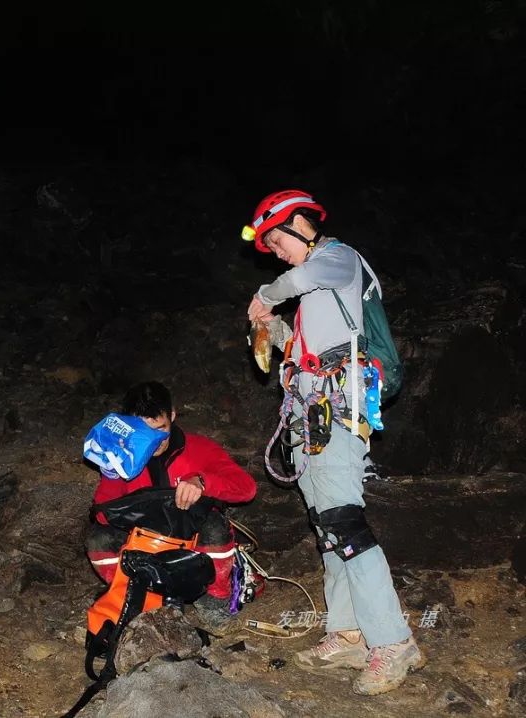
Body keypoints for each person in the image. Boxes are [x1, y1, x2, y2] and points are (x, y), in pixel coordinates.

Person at [243, 189, 424, 696]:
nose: (276, 251)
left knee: (344, 520)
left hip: (339, 412)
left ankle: (394, 640)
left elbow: (297, 277)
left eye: (277, 240)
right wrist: (272, 327)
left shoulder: (337, 258)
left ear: (299, 224)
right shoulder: (317, 300)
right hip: (310, 418)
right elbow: (302, 350)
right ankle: (347, 632)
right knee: (327, 526)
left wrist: (265, 293)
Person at [84, 381, 257, 635]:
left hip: (190, 549)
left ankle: (214, 601)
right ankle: (133, 595)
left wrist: (202, 481)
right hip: (146, 546)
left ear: (172, 416)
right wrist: (110, 476)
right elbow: (102, 515)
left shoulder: (199, 448)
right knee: (98, 540)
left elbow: (246, 488)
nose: (156, 441)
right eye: (145, 431)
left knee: (215, 527)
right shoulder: (120, 460)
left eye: (161, 429)